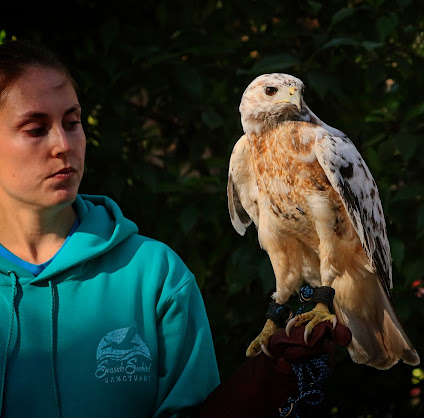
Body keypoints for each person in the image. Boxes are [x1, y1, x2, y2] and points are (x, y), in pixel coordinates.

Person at [0, 39, 351, 418]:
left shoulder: (154, 274)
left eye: (72, 123)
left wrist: (262, 384)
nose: (63, 145)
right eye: (36, 129)